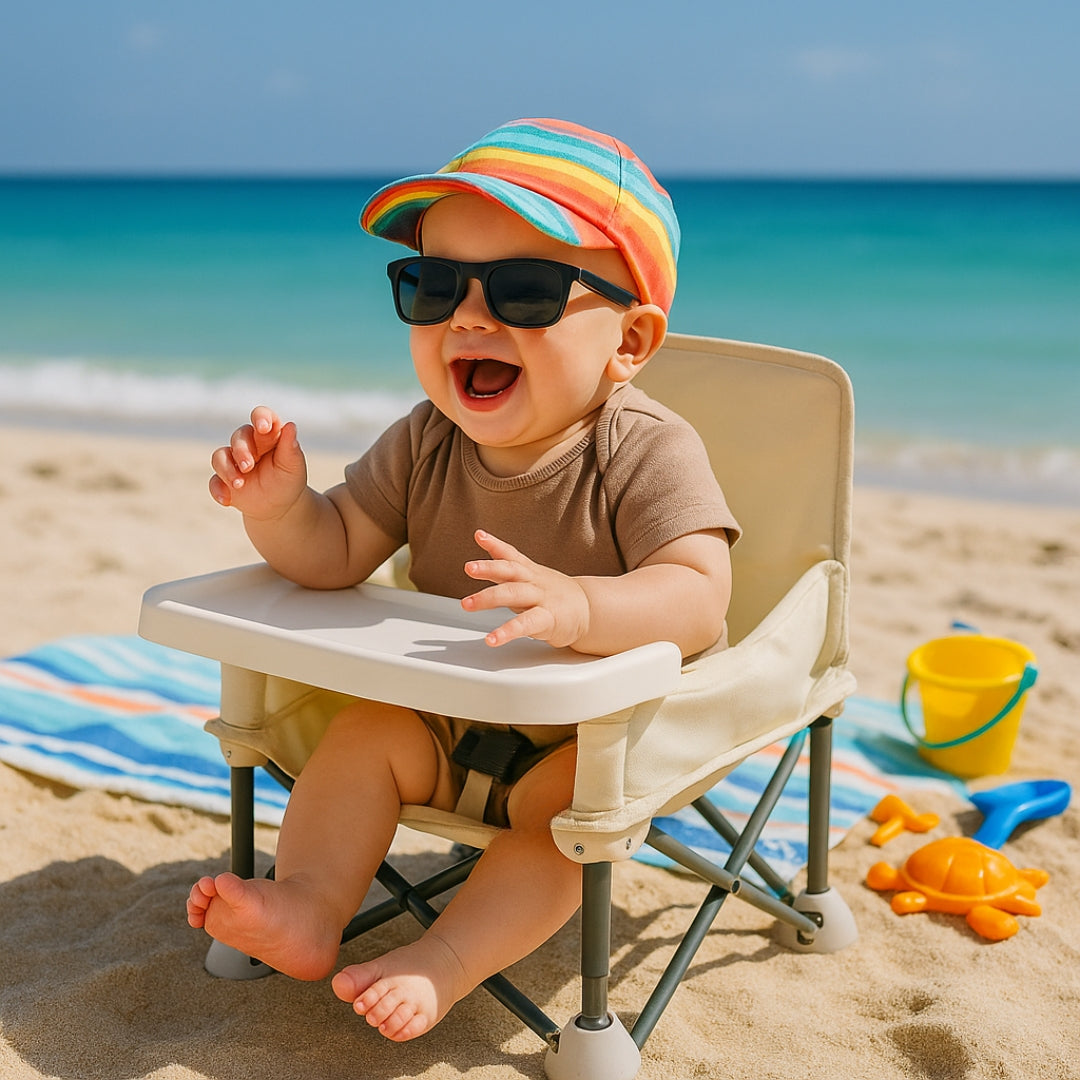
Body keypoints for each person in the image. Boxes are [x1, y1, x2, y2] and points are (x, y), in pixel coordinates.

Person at [186, 117, 739, 1043]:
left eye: (525, 291)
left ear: (630, 340)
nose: (468, 319)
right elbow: (336, 551)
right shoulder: (425, 440)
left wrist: (584, 605)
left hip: (591, 741)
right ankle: (311, 905)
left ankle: (443, 960)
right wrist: (281, 510)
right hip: (444, 719)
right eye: (434, 286)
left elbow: (698, 593)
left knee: (562, 822)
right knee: (361, 737)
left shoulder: (643, 450)